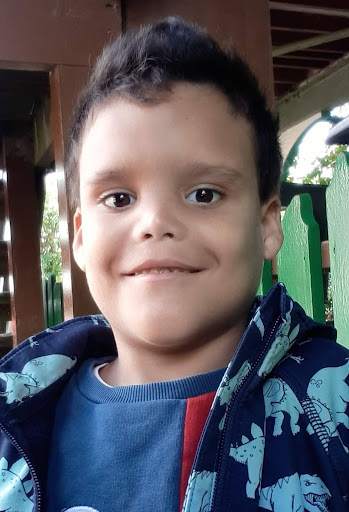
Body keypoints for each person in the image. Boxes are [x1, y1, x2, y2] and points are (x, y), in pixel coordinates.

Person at [0, 16, 348, 512]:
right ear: (79, 236)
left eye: (203, 194)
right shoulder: (14, 422)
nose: (155, 223)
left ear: (267, 223)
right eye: (119, 198)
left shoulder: (335, 408)